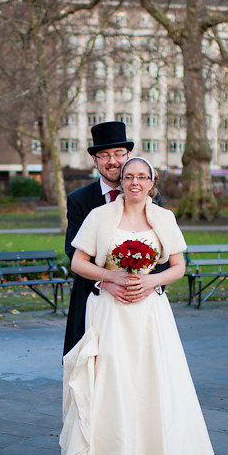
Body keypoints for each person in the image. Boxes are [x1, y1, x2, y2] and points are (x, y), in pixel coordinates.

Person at [59, 156, 224, 455]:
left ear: (152, 181)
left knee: (155, 387)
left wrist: (151, 280)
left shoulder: (164, 218)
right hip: (110, 313)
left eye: (142, 177)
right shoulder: (100, 217)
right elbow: (77, 262)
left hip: (151, 315)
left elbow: (178, 266)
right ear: (121, 181)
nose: (135, 182)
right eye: (129, 176)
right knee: (114, 387)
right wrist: (111, 277)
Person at [63, 121, 168, 356]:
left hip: (143, 300)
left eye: (119, 154)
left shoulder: (150, 197)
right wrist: (106, 282)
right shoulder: (79, 200)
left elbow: (164, 251)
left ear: (128, 155)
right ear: (95, 160)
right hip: (96, 296)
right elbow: (74, 252)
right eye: (104, 155)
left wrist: (150, 285)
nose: (113, 161)